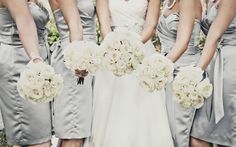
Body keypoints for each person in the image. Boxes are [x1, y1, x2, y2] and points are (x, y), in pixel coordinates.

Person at [84, 0, 174, 147]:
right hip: (111, 52)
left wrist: (132, 48)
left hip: (142, 51)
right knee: (111, 110)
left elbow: (151, 26)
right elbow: (104, 24)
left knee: (143, 109)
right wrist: (116, 48)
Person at [0, 0, 52, 146]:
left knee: (38, 138)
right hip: (19, 65)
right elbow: (25, 21)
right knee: (36, 140)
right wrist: (36, 61)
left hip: (35, 63)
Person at [48, 0, 96, 146]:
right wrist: (79, 62)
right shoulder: (78, 58)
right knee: (74, 130)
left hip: (86, 57)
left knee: (77, 129)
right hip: (75, 59)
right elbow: (74, 24)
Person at [157, 0, 202, 146]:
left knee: (179, 131)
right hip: (167, 71)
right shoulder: (167, 2)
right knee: (167, 130)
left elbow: (183, 43)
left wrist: (158, 68)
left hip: (184, 75)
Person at [191, 0, 236, 147]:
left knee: (226, 134)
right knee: (201, 135)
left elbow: (215, 35)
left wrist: (194, 74)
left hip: (229, 66)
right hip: (214, 63)